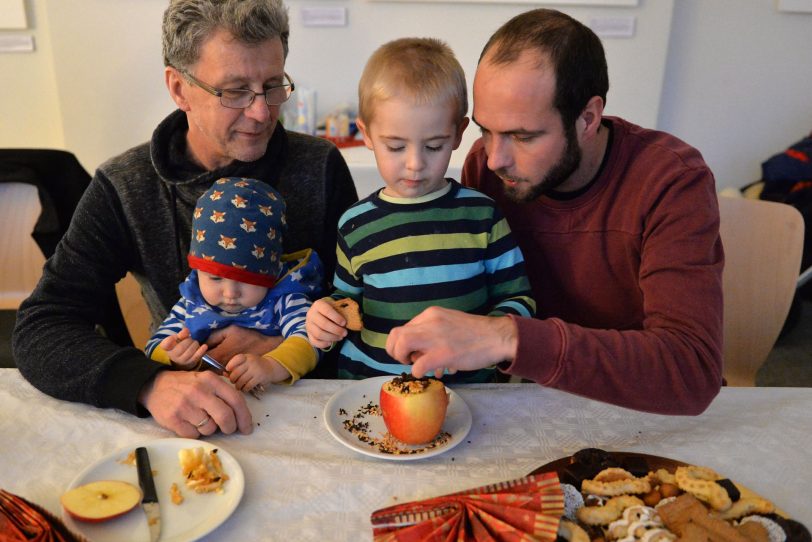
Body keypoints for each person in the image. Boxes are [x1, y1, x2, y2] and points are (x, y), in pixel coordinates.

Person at [12, 0, 357, 438]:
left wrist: (283, 348)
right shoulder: (126, 185)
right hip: (189, 423)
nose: (261, 112)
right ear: (178, 88)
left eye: (272, 86)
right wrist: (150, 382)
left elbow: (361, 306)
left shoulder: (320, 166)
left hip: (312, 416)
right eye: (234, 91)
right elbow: (42, 327)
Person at [385, 9, 724, 415]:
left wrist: (509, 338)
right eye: (485, 130)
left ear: (587, 118)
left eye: (522, 136)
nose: (494, 158)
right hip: (533, 401)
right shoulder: (489, 171)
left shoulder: (670, 181)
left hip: (642, 410)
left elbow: (691, 370)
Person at [305, 38, 535, 382]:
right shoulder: (355, 225)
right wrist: (324, 316)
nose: (415, 164)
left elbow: (518, 299)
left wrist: (488, 334)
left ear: (458, 133)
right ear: (367, 134)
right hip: (374, 390)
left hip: (472, 395)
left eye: (434, 146)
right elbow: (344, 301)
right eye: (395, 146)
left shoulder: (482, 215)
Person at [146, 177, 323, 392]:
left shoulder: (285, 297)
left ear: (271, 273)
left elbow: (312, 339)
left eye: (247, 280)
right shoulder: (192, 299)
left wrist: (271, 366)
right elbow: (154, 346)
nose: (230, 294)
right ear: (198, 272)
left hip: (278, 402)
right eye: (215, 278)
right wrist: (175, 358)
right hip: (207, 399)